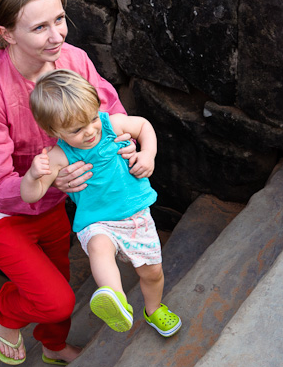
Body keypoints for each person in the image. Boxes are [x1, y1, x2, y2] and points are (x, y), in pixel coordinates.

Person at [0, 0, 134, 366]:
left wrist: (126, 146)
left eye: (60, 19)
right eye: (40, 27)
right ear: (7, 33)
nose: (57, 36)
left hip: (51, 194)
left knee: (58, 275)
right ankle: (2, 311)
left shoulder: (72, 61)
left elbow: (107, 113)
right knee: (54, 298)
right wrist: (49, 179)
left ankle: (52, 345)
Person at [21, 69, 181, 338]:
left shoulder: (112, 125)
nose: (90, 131)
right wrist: (32, 175)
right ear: (52, 131)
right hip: (98, 220)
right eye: (77, 129)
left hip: (135, 215)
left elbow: (143, 126)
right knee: (99, 247)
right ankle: (115, 298)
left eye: (93, 118)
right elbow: (31, 194)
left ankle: (153, 310)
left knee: (152, 273)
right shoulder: (59, 156)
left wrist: (148, 154)